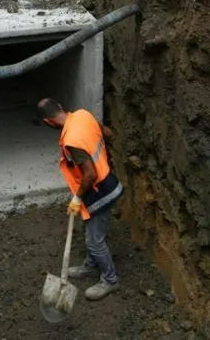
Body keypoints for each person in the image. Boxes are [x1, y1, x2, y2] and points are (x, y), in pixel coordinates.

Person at [37, 98, 124, 301]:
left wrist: (77, 198)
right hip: (106, 180)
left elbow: (90, 175)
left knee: (94, 241)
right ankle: (91, 265)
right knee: (89, 228)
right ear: (61, 107)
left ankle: (110, 280)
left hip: (100, 191)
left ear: (49, 122)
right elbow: (108, 133)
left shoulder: (71, 141)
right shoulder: (83, 115)